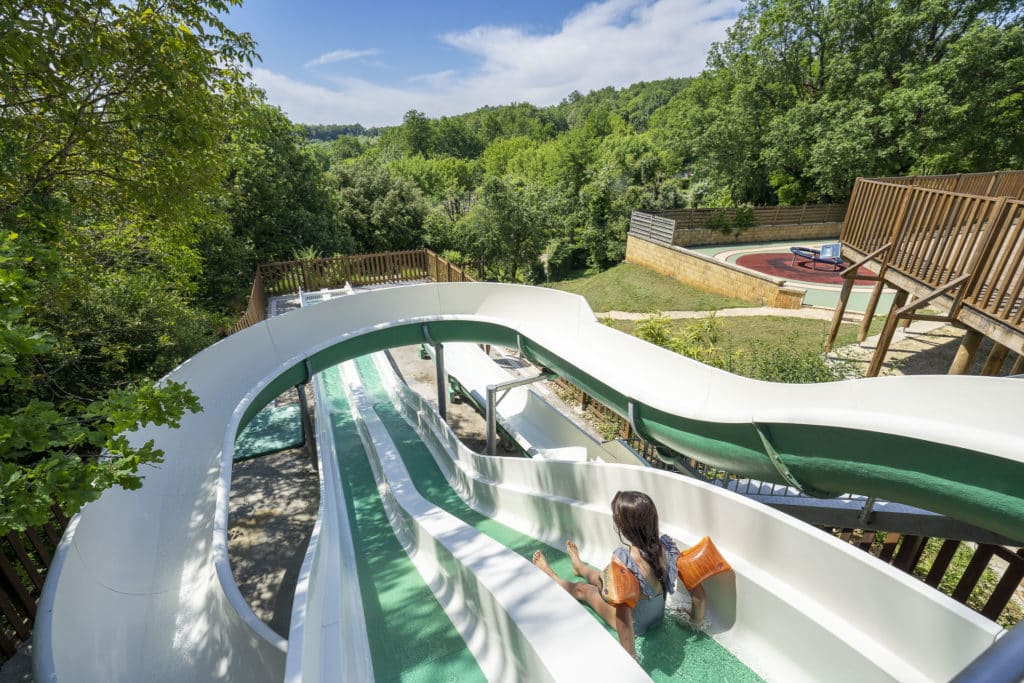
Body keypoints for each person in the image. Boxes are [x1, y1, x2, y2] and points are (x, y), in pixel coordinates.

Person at [532, 490, 707, 659]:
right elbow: (699, 596)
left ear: (624, 528)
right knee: (602, 577)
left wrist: (632, 659)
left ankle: (552, 575)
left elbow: (623, 619)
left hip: (636, 625)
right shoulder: (667, 547)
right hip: (657, 618)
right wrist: (695, 621)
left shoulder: (624, 559)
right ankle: (580, 567)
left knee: (582, 589)